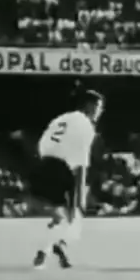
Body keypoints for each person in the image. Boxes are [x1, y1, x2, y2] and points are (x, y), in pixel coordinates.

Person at [30, 90, 104, 269]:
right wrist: (80, 196)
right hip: (62, 168)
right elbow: (81, 163)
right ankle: (61, 244)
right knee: (76, 215)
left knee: (60, 215)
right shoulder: (86, 125)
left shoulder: (61, 119)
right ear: (90, 106)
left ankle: (45, 251)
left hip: (43, 164)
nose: (100, 112)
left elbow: (43, 143)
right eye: (99, 107)